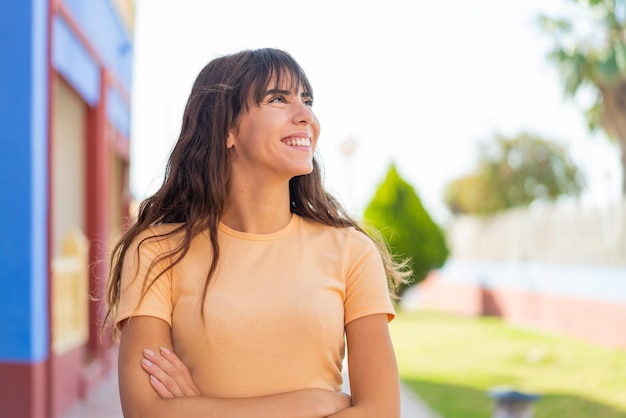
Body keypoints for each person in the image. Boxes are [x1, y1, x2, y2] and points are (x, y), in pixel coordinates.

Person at [105, 48, 409, 418]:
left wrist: (199, 409)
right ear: (227, 129)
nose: (306, 116)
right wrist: (309, 404)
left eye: (307, 100)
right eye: (278, 99)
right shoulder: (157, 252)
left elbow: (380, 411)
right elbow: (146, 412)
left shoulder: (352, 252)